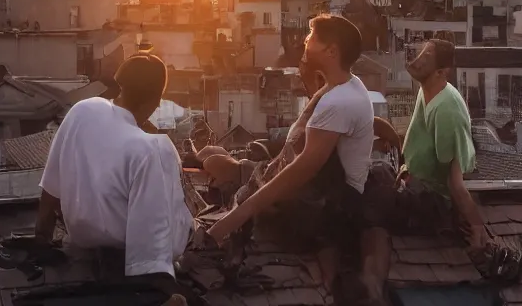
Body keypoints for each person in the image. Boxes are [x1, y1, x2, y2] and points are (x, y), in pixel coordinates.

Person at [200, 14, 378, 256]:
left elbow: (303, 168)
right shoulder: (342, 87)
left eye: (312, 37)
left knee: (235, 207)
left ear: (331, 51)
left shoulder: (339, 101)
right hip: (324, 194)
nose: (305, 41)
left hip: (331, 209)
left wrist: (238, 216)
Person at [35, 54, 193, 278]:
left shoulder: (82, 110)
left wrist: (41, 240)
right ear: (155, 102)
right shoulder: (151, 148)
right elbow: (151, 240)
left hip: (79, 246)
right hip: (123, 263)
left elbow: (51, 188)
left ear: (122, 85)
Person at [396, 39, 489, 250]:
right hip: (414, 182)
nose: (418, 60)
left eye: (426, 58)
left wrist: (476, 225)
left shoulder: (447, 109)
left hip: (432, 200)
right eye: (421, 54)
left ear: (441, 72)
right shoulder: (427, 89)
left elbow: (455, 183)